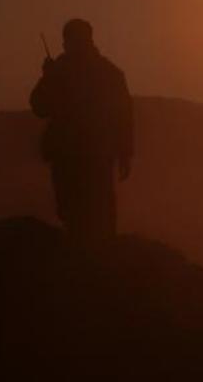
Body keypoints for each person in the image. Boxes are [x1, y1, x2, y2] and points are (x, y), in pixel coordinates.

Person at [30, 19, 134, 243]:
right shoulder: (110, 73)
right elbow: (124, 116)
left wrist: (48, 76)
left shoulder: (61, 71)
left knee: (77, 215)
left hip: (71, 155)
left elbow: (39, 106)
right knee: (96, 214)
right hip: (94, 154)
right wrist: (125, 153)